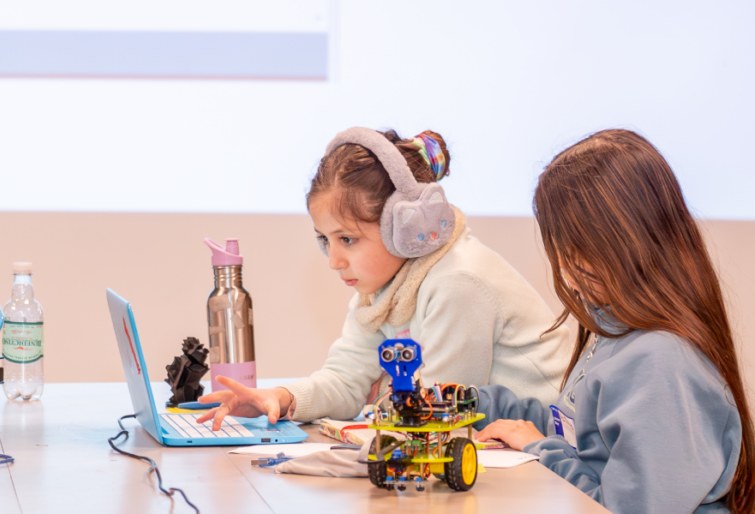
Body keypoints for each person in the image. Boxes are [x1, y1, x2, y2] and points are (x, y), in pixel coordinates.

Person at [198, 127, 572, 429]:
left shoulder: (459, 282)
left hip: (548, 455)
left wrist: (379, 397)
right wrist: (280, 398)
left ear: (407, 226)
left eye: (347, 239)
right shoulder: (382, 289)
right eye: (324, 240)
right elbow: (347, 380)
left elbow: (439, 411)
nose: (334, 260)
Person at [472, 129, 751, 513]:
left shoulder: (661, 362)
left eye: (573, 251)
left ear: (622, 242)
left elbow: (630, 508)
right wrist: (476, 404)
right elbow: (577, 436)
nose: (566, 273)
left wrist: (539, 450)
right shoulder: (617, 330)